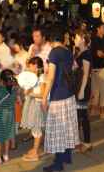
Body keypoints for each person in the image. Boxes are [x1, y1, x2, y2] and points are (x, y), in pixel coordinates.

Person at [42, 27, 80, 172]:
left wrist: (45, 98)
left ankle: (58, 164)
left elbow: (50, 77)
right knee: (67, 126)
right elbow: (74, 68)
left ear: (51, 40)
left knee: (58, 130)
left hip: (58, 95)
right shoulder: (68, 51)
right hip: (69, 94)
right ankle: (67, 157)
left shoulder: (54, 52)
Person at [20, 57, 47, 162]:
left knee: (37, 128)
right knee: (35, 128)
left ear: (36, 66)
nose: (29, 67)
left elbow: (43, 94)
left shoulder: (41, 77)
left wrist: (29, 94)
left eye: (30, 65)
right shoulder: (33, 76)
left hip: (37, 104)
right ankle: (36, 149)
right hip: (32, 103)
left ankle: (35, 152)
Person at [0, 69, 17, 165]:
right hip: (11, 114)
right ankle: (5, 155)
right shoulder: (15, 89)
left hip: (1, 114)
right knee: (7, 136)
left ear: (2, 79)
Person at [90, 22, 104, 119]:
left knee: (96, 90)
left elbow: (102, 53)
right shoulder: (97, 40)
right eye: (103, 27)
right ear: (98, 29)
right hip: (99, 68)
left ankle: (94, 110)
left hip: (95, 67)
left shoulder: (101, 40)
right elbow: (99, 54)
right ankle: (103, 112)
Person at [74, 33, 92, 153]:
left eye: (77, 38)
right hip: (78, 86)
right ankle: (80, 141)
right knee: (78, 115)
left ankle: (87, 142)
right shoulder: (80, 53)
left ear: (83, 41)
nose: (75, 39)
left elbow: (86, 74)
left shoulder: (86, 54)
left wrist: (81, 90)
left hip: (82, 87)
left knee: (83, 116)